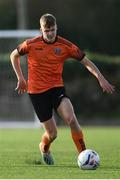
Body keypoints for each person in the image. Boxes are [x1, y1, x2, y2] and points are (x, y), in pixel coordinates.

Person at [10, 13, 115, 165]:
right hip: (37, 92)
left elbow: (86, 61)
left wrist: (100, 77)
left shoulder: (66, 46)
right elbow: (14, 56)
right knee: (52, 134)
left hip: (56, 88)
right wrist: (20, 78)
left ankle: (84, 155)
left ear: (56, 28)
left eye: (52, 30)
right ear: (41, 30)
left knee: (71, 119)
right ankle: (44, 148)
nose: (50, 33)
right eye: (47, 31)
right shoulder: (31, 44)